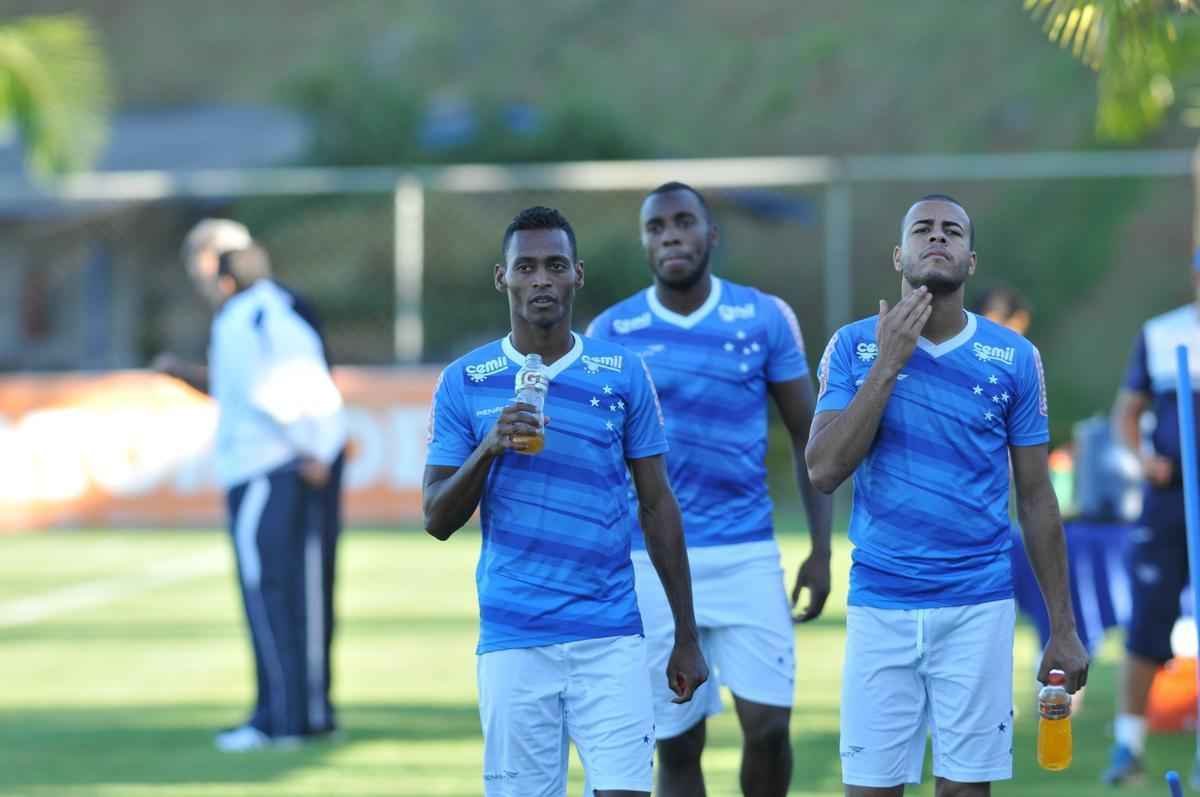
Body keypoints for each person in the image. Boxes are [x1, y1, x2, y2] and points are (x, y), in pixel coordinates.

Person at [805, 194, 1089, 796]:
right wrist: (888, 365)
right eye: (923, 229)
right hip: (881, 602)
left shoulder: (1013, 357)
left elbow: (1037, 498)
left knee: (964, 790)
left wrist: (1063, 627)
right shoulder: (854, 346)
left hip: (977, 606)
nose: (938, 237)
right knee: (871, 789)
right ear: (899, 255)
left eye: (952, 231)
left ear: (971, 260)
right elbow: (824, 469)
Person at [422, 206, 708, 797]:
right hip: (514, 636)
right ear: (502, 277)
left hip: (611, 635)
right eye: (525, 267)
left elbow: (658, 505)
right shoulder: (464, 380)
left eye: (555, 265)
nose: (541, 280)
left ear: (577, 274)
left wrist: (686, 634)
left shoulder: (622, 373)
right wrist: (488, 448)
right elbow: (436, 517)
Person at [587, 181, 833, 797]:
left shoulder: (763, 316)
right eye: (656, 226)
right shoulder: (612, 331)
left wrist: (822, 550)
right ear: (644, 242)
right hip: (652, 562)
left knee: (770, 728)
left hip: (746, 553)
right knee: (677, 741)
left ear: (711, 234)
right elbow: (596, 459)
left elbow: (811, 438)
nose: (671, 235)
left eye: (684, 222)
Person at [164, 229, 347, 751]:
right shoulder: (283, 309)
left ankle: (279, 720)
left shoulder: (241, 319)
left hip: (262, 470)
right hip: (292, 466)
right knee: (301, 593)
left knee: (266, 592)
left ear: (225, 280)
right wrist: (318, 446)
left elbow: (261, 391)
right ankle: (307, 713)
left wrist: (308, 445)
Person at [1102, 251, 1200, 785]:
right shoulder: (1162, 334)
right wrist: (1144, 461)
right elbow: (1127, 412)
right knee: (1148, 617)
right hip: (1169, 499)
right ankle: (1128, 746)